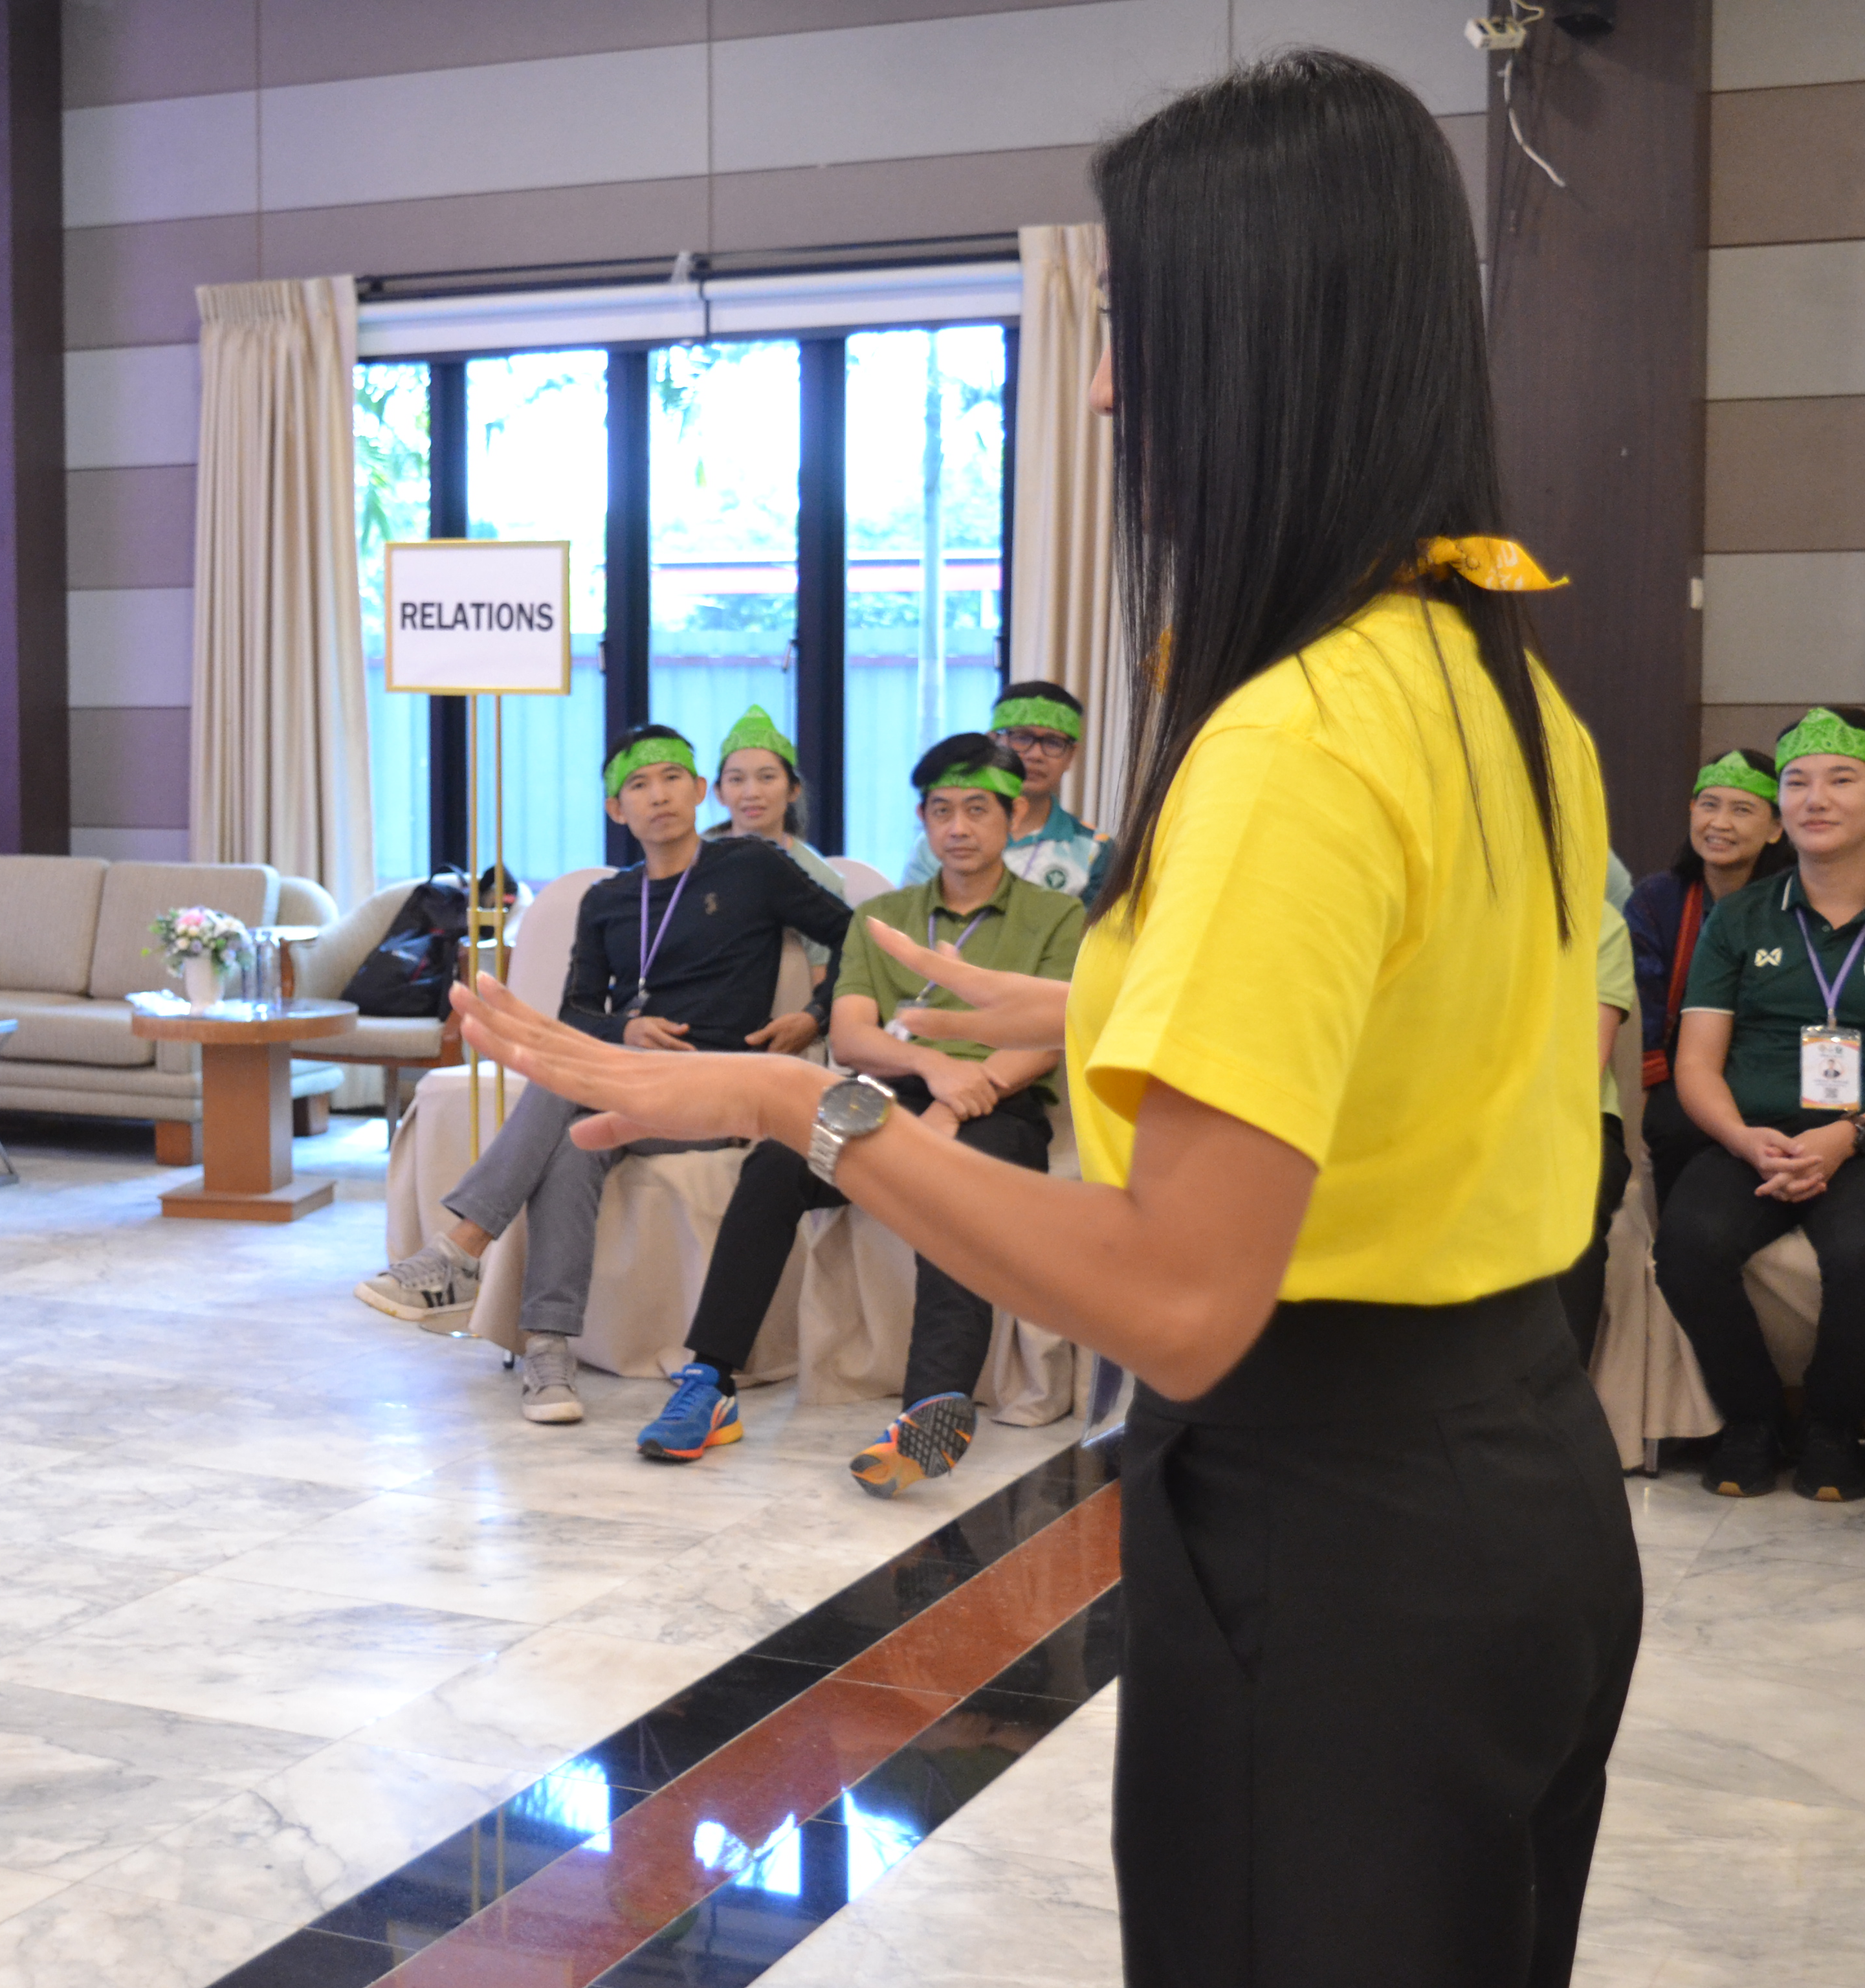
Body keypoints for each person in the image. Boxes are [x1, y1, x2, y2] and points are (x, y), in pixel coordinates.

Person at [448, 52, 1637, 1987]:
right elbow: (1418, 1028)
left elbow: (1180, 1291)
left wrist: (796, 1102)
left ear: (1258, 342)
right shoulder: (1489, 674)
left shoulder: (1293, 738)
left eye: (1127, 328)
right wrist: (1105, 992)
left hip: (1342, 1540)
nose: (1099, 391)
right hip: (1518, 1485)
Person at [354, 723, 856, 1421]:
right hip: (627, 1084)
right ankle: (549, 1353)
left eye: (673, 779)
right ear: (617, 810)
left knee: (569, 1085)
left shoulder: (752, 867)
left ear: (700, 790)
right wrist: (626, 1030)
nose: (659, 796)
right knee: (572, 1141)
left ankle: (461, 1250)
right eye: (639, 786)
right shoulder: (608, 899)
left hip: (717, 1091)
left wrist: (814, 1016)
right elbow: (578, 1011)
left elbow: (856, 935)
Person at [639, 734, 1083, 1492]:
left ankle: (930, 1412)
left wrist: (957, 1103)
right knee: (777, 1163)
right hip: (884, 1096)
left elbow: (1046, 1038)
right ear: (923, 819)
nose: (959, 827)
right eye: (942, 811)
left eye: (978, 810)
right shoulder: (882, 915)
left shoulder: (1057, 916)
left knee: (955, 1189)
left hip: (1000, 1104)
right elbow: (849, 1036)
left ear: (1013, 818)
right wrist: (933, 1069)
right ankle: (710, 1380)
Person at [1651, 708, 1865, 1503]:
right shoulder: (1741, 917)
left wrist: (1848, 1134)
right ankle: (1753, 1418)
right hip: (1754, 1137)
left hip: (1860, 1141)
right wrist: (1743, 1139)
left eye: (1841, 780)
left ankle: (1835, 1427)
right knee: (1688, 1246)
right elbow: (1696, 1063)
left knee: (1861, 1254)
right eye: (1798, 783)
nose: (1816, 798)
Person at [1627, 749, 1791, 1211]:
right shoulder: (1657, 899)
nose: (1720, 823)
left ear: (1776, 827)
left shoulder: (1793, 900)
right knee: (1676, 1126)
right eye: (1709, 805)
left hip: (1768, 1066)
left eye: (1742, 810)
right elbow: (1645, 1009)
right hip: (1684, 1070)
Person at [899, 679, 1110, 904]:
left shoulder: (1094, 850)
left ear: (1071, 755)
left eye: (1053, 742)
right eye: (1021, 738)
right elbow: (911, 917)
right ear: (993, 741)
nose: (1036, 755)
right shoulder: (943, 841)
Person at [707, 703, 850, 986]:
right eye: (736, 779)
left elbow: (823, 980)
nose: (752, 793)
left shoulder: (820, 879)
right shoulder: (692, 860)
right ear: (719, 793)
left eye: (767, 777)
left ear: (793, 789)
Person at [1552, 898, 1636, 1364]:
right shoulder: (1444, 902)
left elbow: (1584, 1069)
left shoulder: (1597, 920)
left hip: (1574, 1118)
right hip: (1448, 1119)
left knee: (1572, 1204)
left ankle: (1561, 1389)